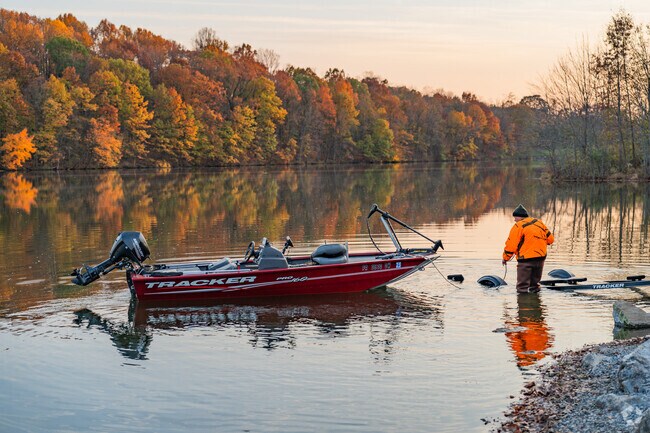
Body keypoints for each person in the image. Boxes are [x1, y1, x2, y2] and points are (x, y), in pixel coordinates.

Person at [502, 204, 554, 293]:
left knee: (522, 287)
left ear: (520, 217)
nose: (514, 220)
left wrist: (505, 258)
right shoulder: (539, 222)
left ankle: (524, 305)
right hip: (540, 258)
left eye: (515, 217)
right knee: (535, 285)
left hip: (526, 260)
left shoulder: (518, 226)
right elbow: (550, 239)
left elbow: (511, 245)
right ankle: (536, 305)